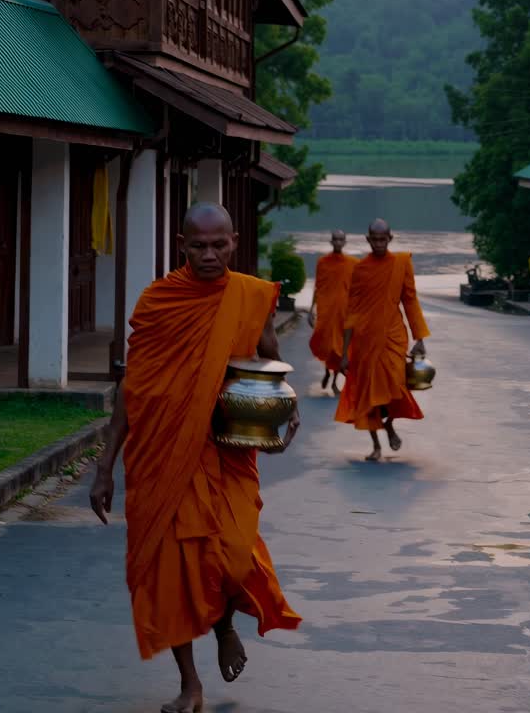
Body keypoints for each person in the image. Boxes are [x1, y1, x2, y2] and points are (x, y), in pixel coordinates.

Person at [89, 203, 301, 713]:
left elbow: (269, 363)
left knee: (232, 556)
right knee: (172, 570)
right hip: (161, 456)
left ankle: (225, 625)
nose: (209, 254)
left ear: (234, 243)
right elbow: (133, 388)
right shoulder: (160, 303)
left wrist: (284, 411)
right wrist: (104, 465)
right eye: (198, 245)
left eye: (219, 244)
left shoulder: (251, 297)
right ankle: (190, 683)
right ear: (181, 245)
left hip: (225, 453)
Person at [335, 218, 430, 461]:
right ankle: (376, 444)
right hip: (365, 340)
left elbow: (410, 299)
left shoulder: (401, 264)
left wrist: (419, 336)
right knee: (368, 393)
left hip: (393, 337)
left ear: (390, 239)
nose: (378, 243)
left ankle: (389, 424)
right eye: (374, 239)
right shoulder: (360, 269)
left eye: (382, 239)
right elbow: (352, 312)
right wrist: (345, 353)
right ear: (368, 240)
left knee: (395, 386)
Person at [308, 229, 356, 394]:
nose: (337, 242)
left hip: (343, 311)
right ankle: (327, 372)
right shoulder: (323, 262)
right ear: (331, 242)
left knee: (339, 349)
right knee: (325, 345)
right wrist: (310, 310)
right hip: (326, 310)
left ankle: (335, 381)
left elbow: (357, 289)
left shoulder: (352, 263)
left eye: (340, 239)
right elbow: (318, 286)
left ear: (344, 242)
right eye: (335, 239)